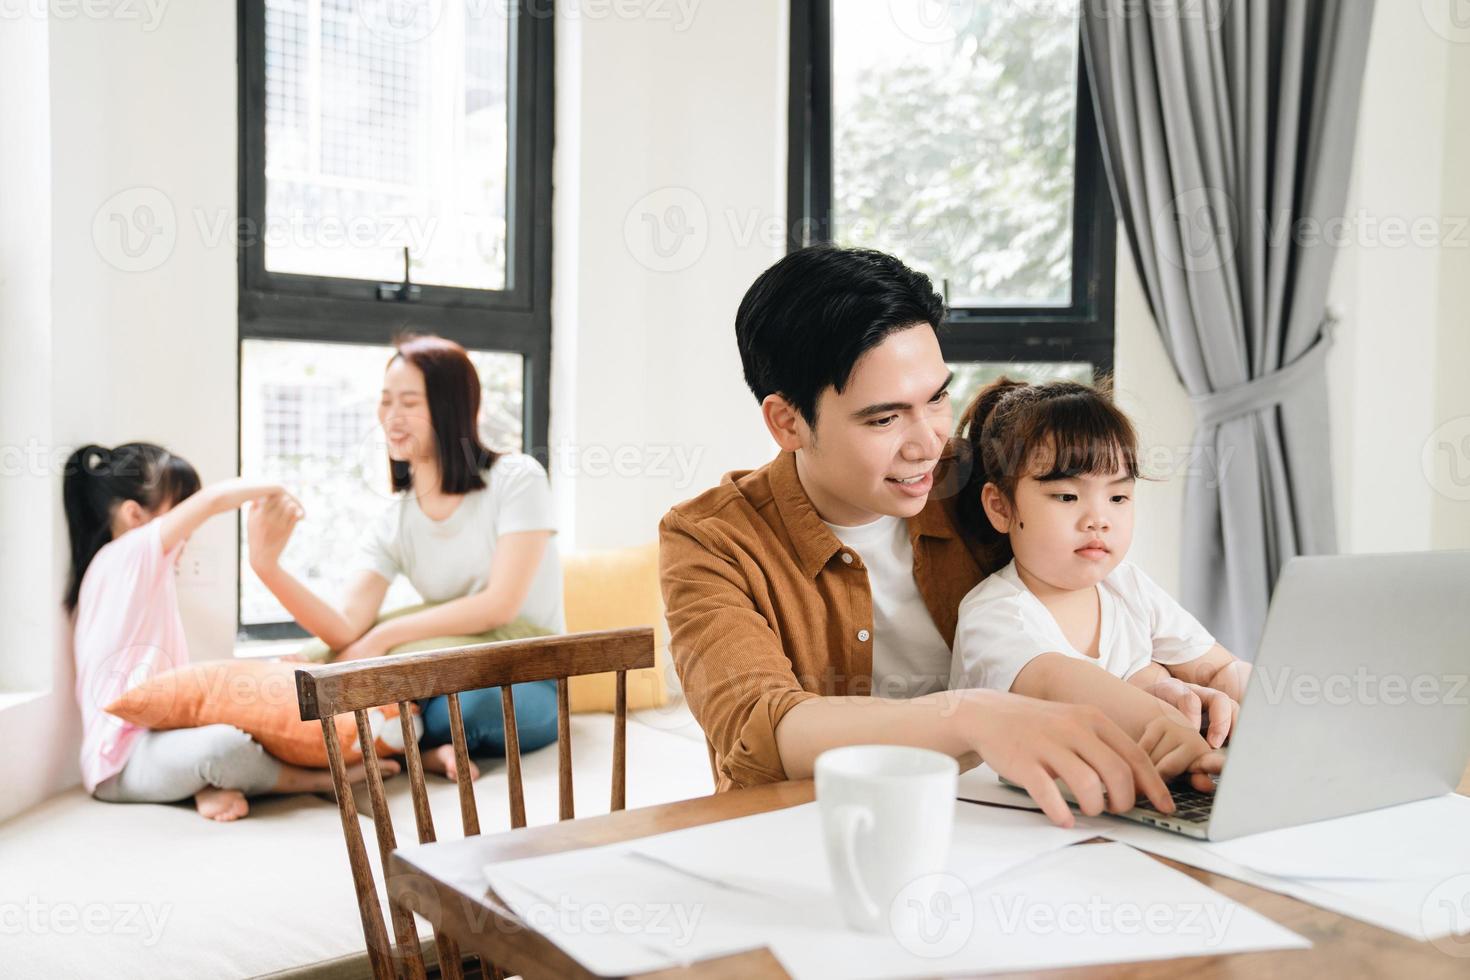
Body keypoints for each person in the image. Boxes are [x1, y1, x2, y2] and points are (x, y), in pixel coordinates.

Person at [659, 244, 1178, 828]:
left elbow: (1093, 581)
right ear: (788, 421)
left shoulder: (980, 482)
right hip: (817, 833)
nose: (928, 442)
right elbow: (759, 726)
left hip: (1013, 822)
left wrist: (1169, 680)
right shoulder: (711, 539)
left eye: (935, 399)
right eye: (884, 418)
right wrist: (973, 716)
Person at [248, 335, 563, 781]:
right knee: (425, 698)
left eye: (409, 403)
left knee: (470, 706)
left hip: (529, 676)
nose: (392, 418)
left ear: (451, 407)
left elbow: (500, 606)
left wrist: (384, 638)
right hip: (446, 677)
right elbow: (344, 627)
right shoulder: (395, 519)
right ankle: (429, 749)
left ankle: (424, 743)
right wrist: (266, 567)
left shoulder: (516, 479)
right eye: (385, 401)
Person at [64, 443, 397, 822]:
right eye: (178, 508)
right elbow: (211, 502)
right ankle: (310, 781)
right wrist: (276, 488)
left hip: (161, 741)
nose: (185, 535)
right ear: (134, 515)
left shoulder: (134, 575)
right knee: (223, 747)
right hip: (119, 765)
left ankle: (206, 785)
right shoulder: (125, 555)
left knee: (252, 717)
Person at [948, 377, 1246, 788]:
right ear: (1001, 508)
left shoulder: (1126, 586)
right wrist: (1162, 720)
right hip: (1011, 819)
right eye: (1067, 497)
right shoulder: (994, 612)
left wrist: (1268, 708)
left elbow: (1219, 670)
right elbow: (1057, 681)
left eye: (1118, 498)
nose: (1098, 519)